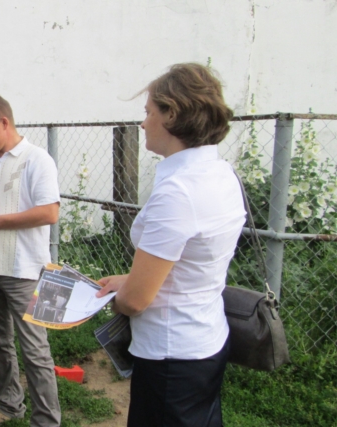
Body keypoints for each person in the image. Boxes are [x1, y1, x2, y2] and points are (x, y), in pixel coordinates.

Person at [95, 63, 245, 427]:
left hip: (170, 355)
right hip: (205, 339)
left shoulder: (178, 192)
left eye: (148, 112)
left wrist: (97, 299)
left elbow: (135, 301)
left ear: (172, 114)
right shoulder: (220, 173)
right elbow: (184, 263)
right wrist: (127, 278)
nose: (143, 122)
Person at [0, 92, 62, 427]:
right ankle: (9, 406)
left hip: (27, 270)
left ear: (5, 122)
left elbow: (50, 212)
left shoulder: (37, 159)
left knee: (35, 349)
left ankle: (46, 421)